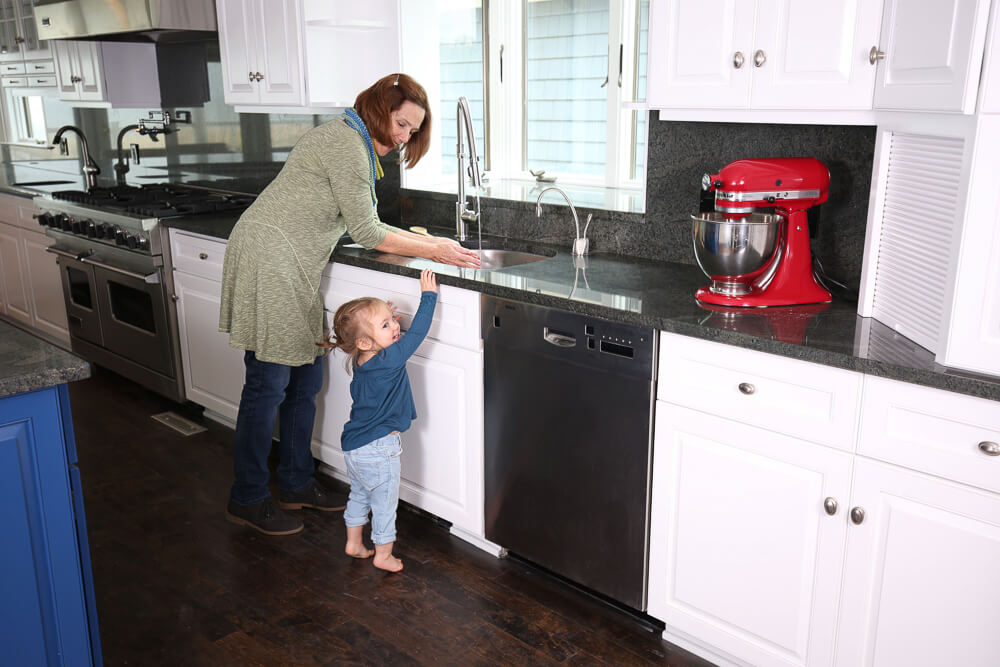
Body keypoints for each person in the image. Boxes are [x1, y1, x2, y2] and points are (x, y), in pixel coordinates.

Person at [220, 73, 481, 536]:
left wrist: (421, 243)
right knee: (268, 384)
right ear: (380, 109)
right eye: (401, 125)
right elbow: (367, 231)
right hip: (271, 256)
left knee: (306, 378)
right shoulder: (346, 143)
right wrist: (434, 249)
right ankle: (248, 496)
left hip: (291, 260)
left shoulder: (354, 142)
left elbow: (360, 219)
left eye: (412, 132)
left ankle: (297, 483)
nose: (404, 138)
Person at [323, 268, 438, 572]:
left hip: (353, 447)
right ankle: (383, 554)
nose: (396, 325)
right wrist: (429, 296)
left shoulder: (363, 360)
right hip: (379, 449)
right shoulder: (390, 359)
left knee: (359, 494)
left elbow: (384, 335)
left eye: (393, 319)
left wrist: (382, 323)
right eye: (387, 324)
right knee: (384, 504)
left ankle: (353, 542)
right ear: (363, 342)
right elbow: (419, 332)